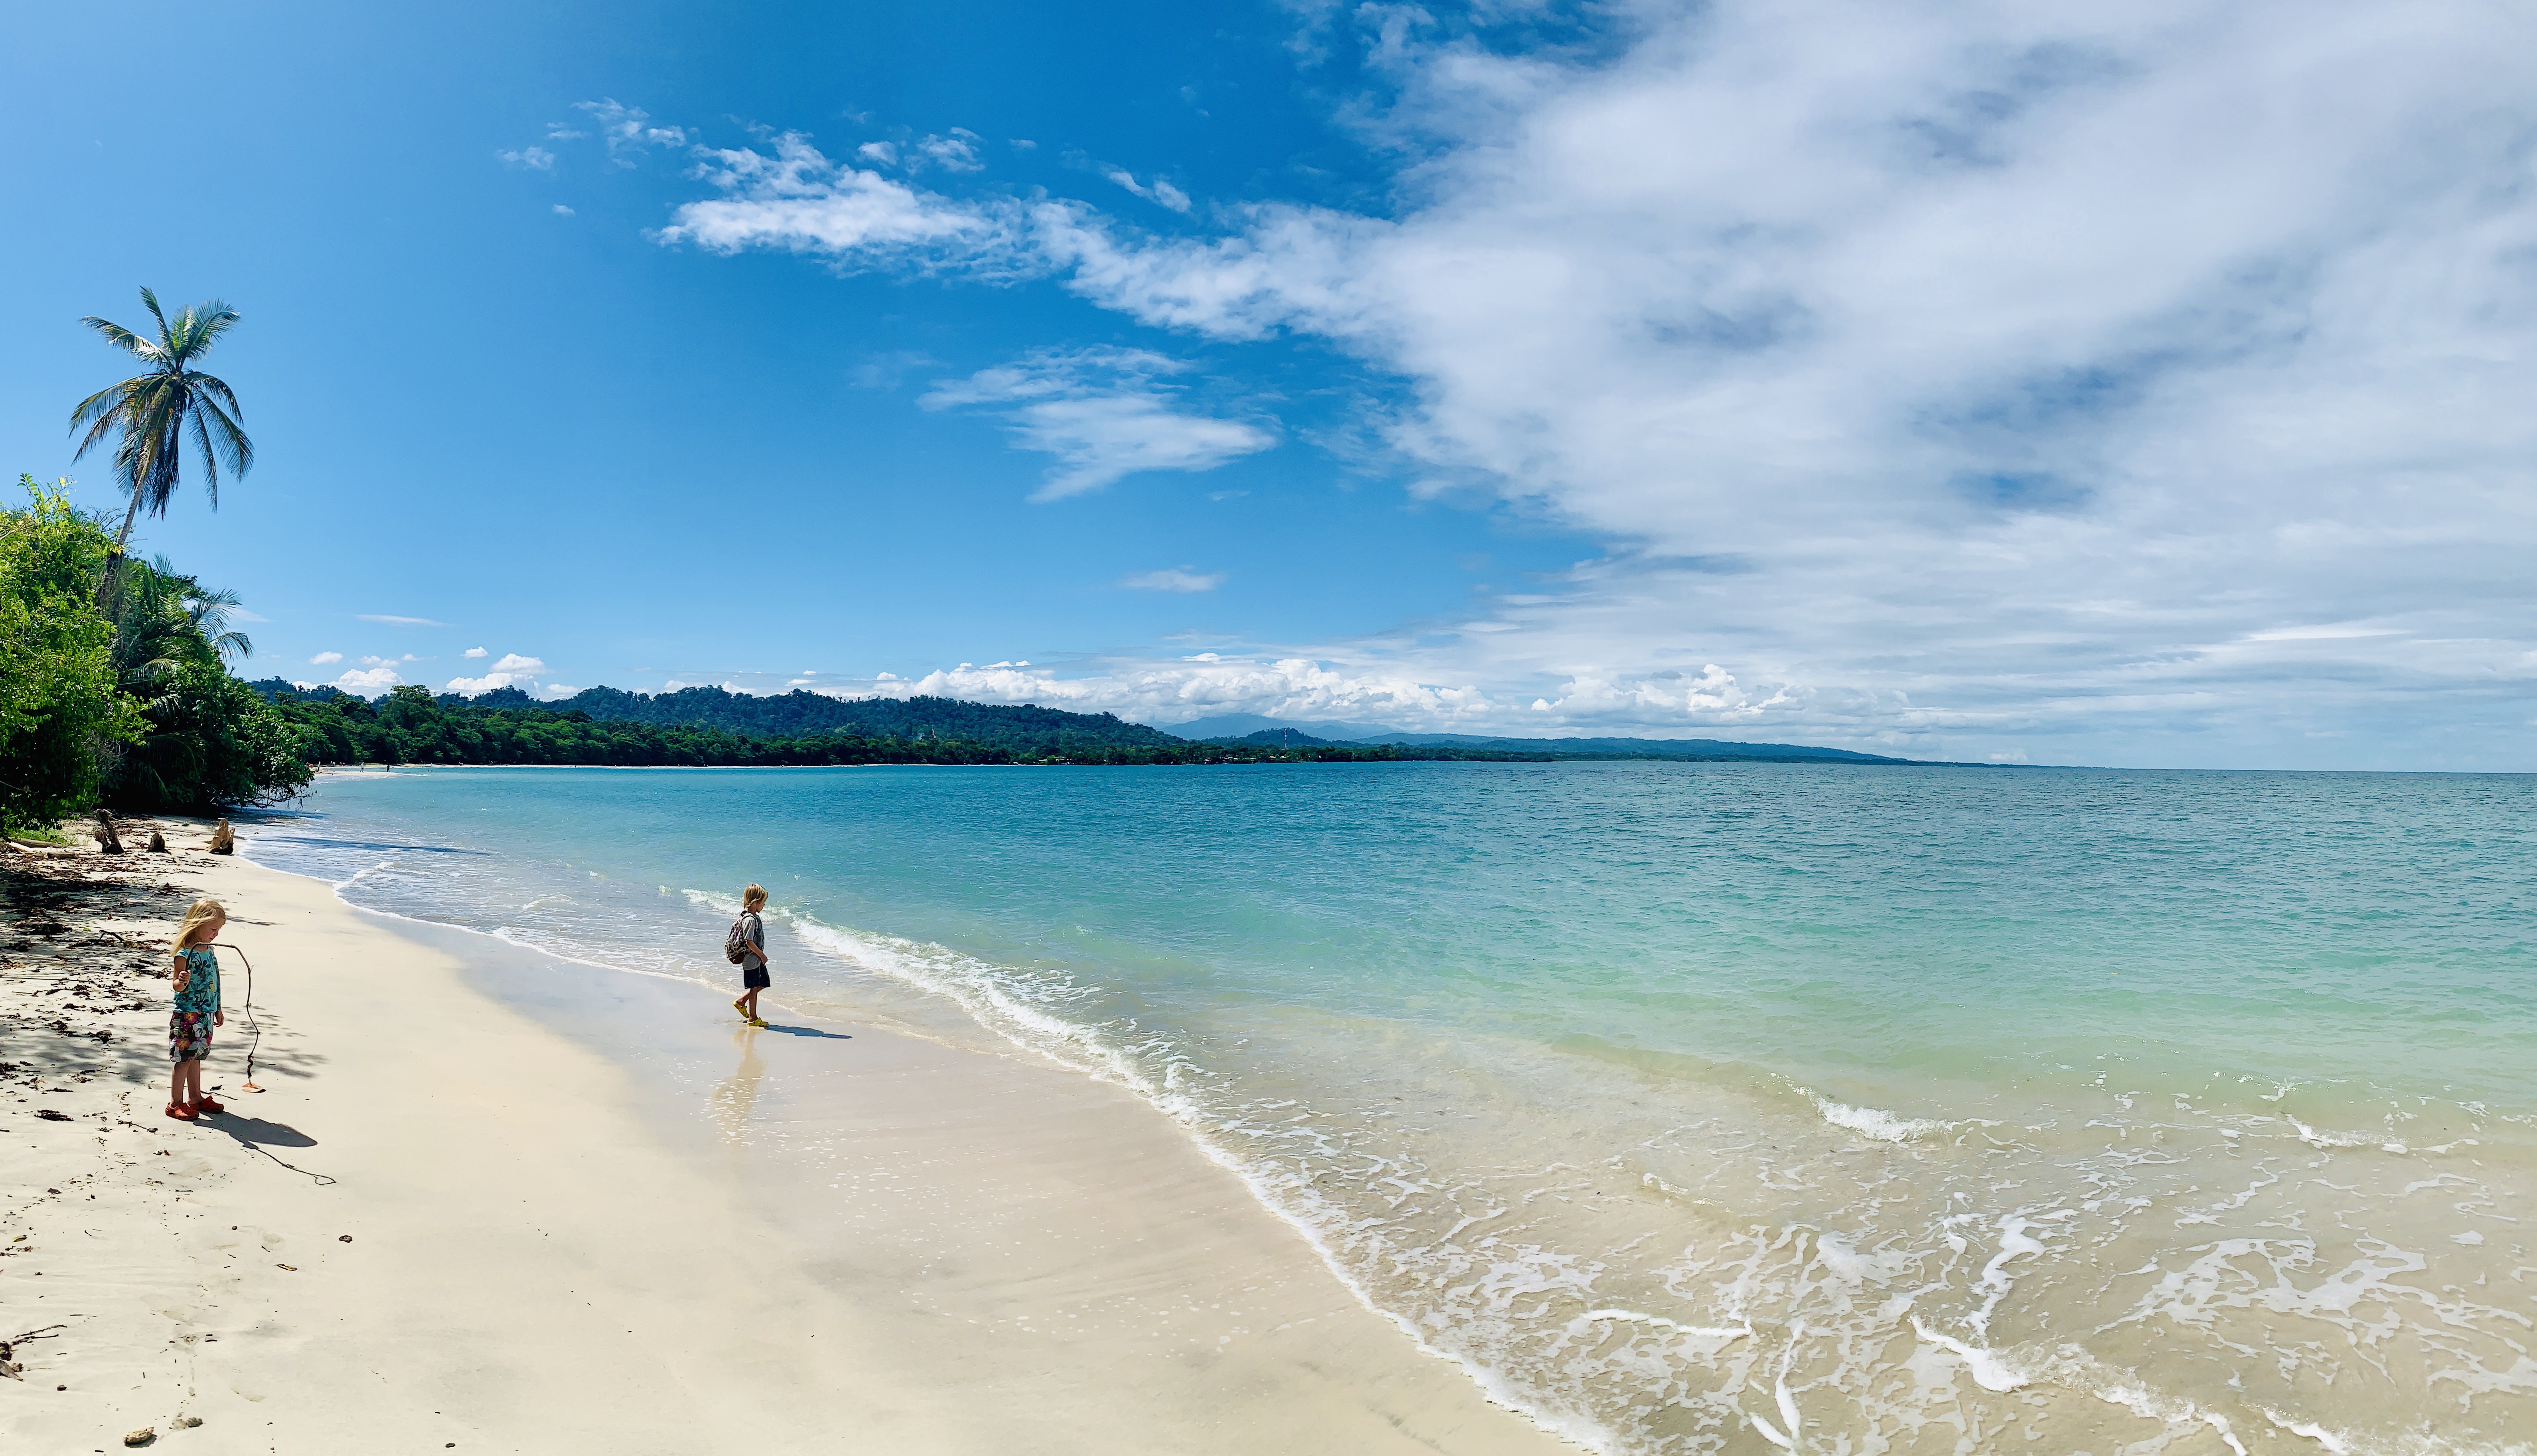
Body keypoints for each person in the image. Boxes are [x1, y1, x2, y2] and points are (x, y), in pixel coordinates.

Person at [168, 898, 228, 1121]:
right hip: (188, 1013)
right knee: (184, 1057)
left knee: (197, 1056)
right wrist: (182, 981)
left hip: (206, 1013)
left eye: (219, 930)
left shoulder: (209, 951)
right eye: (213, 929)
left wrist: (218, 1007)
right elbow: (177, 986)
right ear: (198, 924)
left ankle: (195, 1098)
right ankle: (175, 1103)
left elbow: (215, 981)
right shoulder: (185, 954)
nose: (217, 934)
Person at [731, 884, 771, 1027]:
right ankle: (753, 1019)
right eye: (763, 903)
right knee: (755, 988)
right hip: (752, 960)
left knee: (763, 984)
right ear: (755, 902)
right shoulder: (750, 920)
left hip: (756, 960)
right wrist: (762, 955)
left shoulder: (754, 917)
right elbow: (749, 942)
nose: (764, 906)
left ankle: (742, 1002)